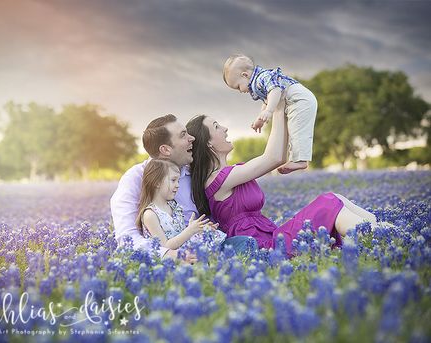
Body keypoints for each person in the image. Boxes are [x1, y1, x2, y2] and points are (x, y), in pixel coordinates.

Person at [186, 110, 378, 257]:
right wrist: (276, 109)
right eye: (217, 126)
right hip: (266, 251)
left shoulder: (234, 172)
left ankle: (380, 230)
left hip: (274, 237)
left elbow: (280, 154)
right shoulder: (216, 180)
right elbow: (274, 157)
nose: (225, 128)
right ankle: (378, 241)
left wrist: (284, 112)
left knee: (336, 198)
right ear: (208, 143)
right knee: (327, 202)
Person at [110, 114, 257, 263]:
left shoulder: (194, 172)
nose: (192, 138)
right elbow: (127, 238)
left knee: (246, 243)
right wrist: (169, 254)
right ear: (166, 150)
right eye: (183, 135)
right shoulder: (135, 178)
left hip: (206, 246)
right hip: (171, 260)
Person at [223, 54, 317, 174]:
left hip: (300, 100)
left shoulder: (262, 77)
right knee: (293, 129)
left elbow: (275, 90)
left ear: (245, 75)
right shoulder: (257, 82)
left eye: (237, 87)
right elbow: (267, 100)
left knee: (297, 129)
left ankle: (300, 160)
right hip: (295, 102)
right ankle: (296, 158)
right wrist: (260, 119)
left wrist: (269, 111)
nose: (240, 91)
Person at [135, 158, 226, 250]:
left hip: (184, 251)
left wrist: (198, 229)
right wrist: (189, 231)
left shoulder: (174, 206)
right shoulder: (150, 214)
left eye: (178, 181)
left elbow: (181, 235)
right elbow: (165, 247)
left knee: (214, 237)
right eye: (173, 180)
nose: (178, 185)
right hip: (174, 259)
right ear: (157, 182)